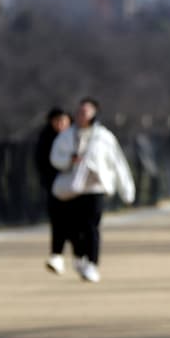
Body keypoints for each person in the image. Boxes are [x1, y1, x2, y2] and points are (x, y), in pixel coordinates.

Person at [49, 97, 136, 283]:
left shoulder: (103, 137)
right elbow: (55, 158)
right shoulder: (66, 136)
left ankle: (92, 264)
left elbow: (117, 163)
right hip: (74, 188)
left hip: (95, 187)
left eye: (85, 111)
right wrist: (69, 161)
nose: (81, 115)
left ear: (94, 113)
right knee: (74, 227)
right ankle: (79, 256)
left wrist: (126, 190)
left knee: (91, 227)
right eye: (79, 111)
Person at [36, 107, 72, 274]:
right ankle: (56, 255)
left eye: (63, 120)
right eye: (57, 121)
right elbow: (41, 164)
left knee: (78, 224)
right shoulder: (45, 139)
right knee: (58, 222)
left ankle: (83, 257)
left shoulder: (75, 136)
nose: (60, 124)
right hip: (55, 188)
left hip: (77, 188)